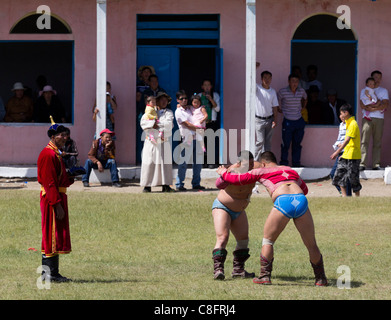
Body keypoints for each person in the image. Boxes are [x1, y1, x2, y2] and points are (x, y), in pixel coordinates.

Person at [217, 151, 328, 286]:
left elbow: (236, 180)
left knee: (268, 241)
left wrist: (223, 172)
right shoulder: (289, 169)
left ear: (263, 163)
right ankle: (321, 278)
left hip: (283, 201)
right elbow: (304, 189)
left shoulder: (262, 171)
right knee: (311, 245)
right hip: (300, 200)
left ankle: (264, 276)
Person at [37, 121, 74, 282]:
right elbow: (49, 182)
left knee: (56, 235)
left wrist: (71, 175)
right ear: (53, 137)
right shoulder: (48, 154)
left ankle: (54, 272)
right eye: (61, 135)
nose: (65, 138)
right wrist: (56, 204)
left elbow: (59, 179)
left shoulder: (56, 153)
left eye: (66, 135)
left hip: (58, 197)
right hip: (52, 199)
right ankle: (48, 274)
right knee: (51, 235)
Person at [212, 150, 257, 280]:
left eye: (251, 163)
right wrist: (224, 174)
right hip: (223, 207)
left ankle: (238, 270)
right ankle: (218, 270)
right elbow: (218, 184)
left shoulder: (255, 170)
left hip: (239, 211)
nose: (249, 166)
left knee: (243, 240)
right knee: (223, 237)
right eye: (246, 164)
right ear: (238, 163)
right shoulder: (231, 171)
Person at [140, 91, 174, 193]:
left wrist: (156, 125)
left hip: (163, 141)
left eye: (166, 100)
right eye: (161, 100)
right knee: (149, 162)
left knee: (164, 164)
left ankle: (166, 185)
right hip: (151, 141)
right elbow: (143, 123)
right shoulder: (149, 111)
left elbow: (169, 124)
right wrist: (153, 124)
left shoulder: (168, 112)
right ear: (157, 101)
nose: (164, 102)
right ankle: (147, 185)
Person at [174, 90, 205, 191]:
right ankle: (179, 184)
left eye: (185, 98)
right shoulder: (178, 111)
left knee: (198, 162)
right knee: (183, 162)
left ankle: (196, 183)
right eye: (181, 99)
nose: (184, 100)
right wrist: (199, 129)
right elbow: (186, 124)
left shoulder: (189, 109)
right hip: (187, 138)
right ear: (177, 100)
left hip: (197, 137)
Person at [360, 70, 389, 171]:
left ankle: (376, 164)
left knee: (377, 142)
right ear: (371, 78)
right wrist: (378, 106)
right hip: (367, 118)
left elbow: (385, 104)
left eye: (379, 77)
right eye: (375, 77)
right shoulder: (365, 90)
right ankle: (362, 163)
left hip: (379, 118)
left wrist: (373, 109)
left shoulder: (383, 91)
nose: (377, 80)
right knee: (364, 141)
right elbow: (362, 105)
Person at [330, 103, 361, 197]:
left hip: (353, 155)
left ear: (346, 113)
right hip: (345, 155)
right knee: (339, 176)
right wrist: (341, 154)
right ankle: (345, 197)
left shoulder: (353, 124)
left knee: (353, 179)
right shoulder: (345, 124)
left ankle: (357, 198)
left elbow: (347, 140)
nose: (340, 116)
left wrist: (336, 152)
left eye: (341, 113)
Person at [277, 74, 308, 167]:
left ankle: (296, 163)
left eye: (296, 81)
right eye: (292, 81)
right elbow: (276, 101)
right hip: (287, 121)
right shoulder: (282, 91)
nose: (294, 83)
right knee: (285, 144)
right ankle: (284, 163)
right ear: (289, 82)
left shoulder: (301, 91)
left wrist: (303, 107)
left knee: (297, 144)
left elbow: (305, 98)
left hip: (299, 120)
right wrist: (279, 109)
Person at [254, 70, 279, 161]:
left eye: (269, 78)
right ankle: (254, 161)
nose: (267, 80)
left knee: (267, 143)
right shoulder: (257, 88)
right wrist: (255, 68)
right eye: (265, 78)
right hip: (259, 120)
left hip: (270, 119)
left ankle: (266, 162)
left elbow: (275, 107)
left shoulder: (272, 91)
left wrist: (275, 120)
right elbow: (251, 80)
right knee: (260, 141)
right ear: (261, 79)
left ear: (271, 79)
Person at [199, 79, 221, 168]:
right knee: (203, 143)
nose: (207, 87)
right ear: (202, 87)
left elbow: (217, 109)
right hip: (203, 123)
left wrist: (211, 99)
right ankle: (204, 161)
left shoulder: (215, 95)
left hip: (212, 122)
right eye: (205, 85)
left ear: (211, 87)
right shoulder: (200, 96)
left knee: (211, 142)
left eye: (208, 85)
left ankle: (212, 161)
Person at [330, 113, 352, 196]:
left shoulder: (351, 125)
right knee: (333, 174)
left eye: (343, 114)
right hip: (340, 152)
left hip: (347, 152)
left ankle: (347, 196)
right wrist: (337, 145)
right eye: (340, 114)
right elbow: (339, 139)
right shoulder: (341, 125)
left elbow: (349, 141)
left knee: (345, 175)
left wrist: (340, 151)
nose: (341, 116)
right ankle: (343, 193)